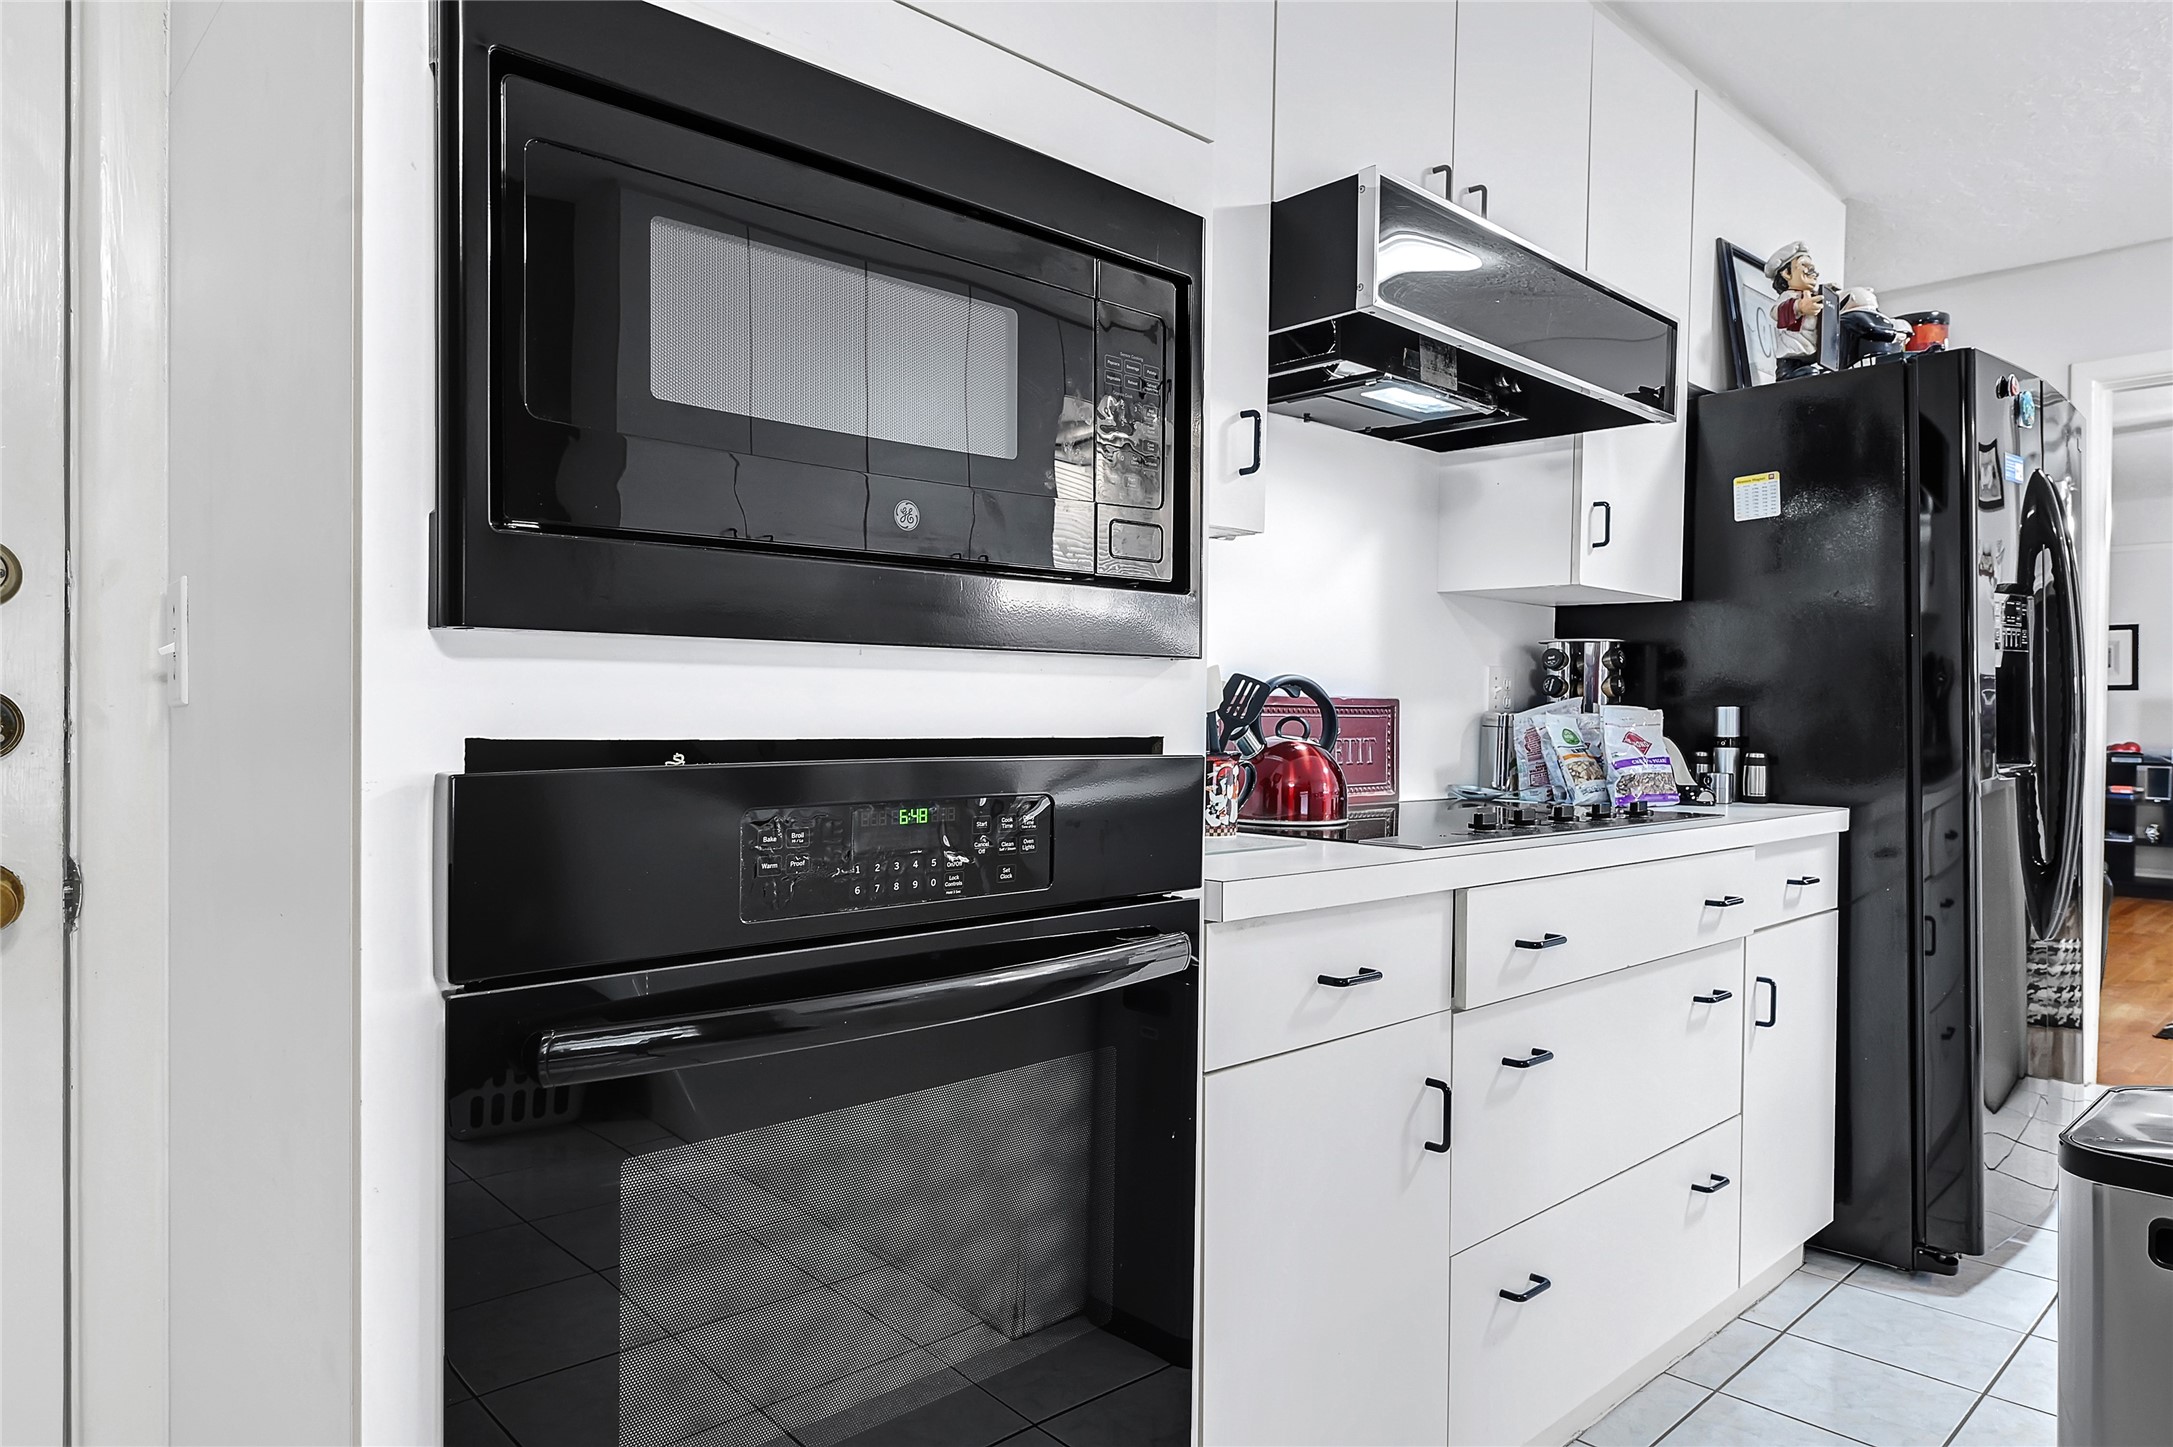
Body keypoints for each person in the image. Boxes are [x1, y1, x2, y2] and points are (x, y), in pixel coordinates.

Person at [1764, 240, 1829, 380]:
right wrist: (1799, 307)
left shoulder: (1813, 295)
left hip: (1811, 356)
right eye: (1804, 265)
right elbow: (1776, 312)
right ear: (1787, 274)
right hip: (1792, 357)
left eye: (1812, 266)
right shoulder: (1788, 297)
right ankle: (1785, 375)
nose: (1813, 271)